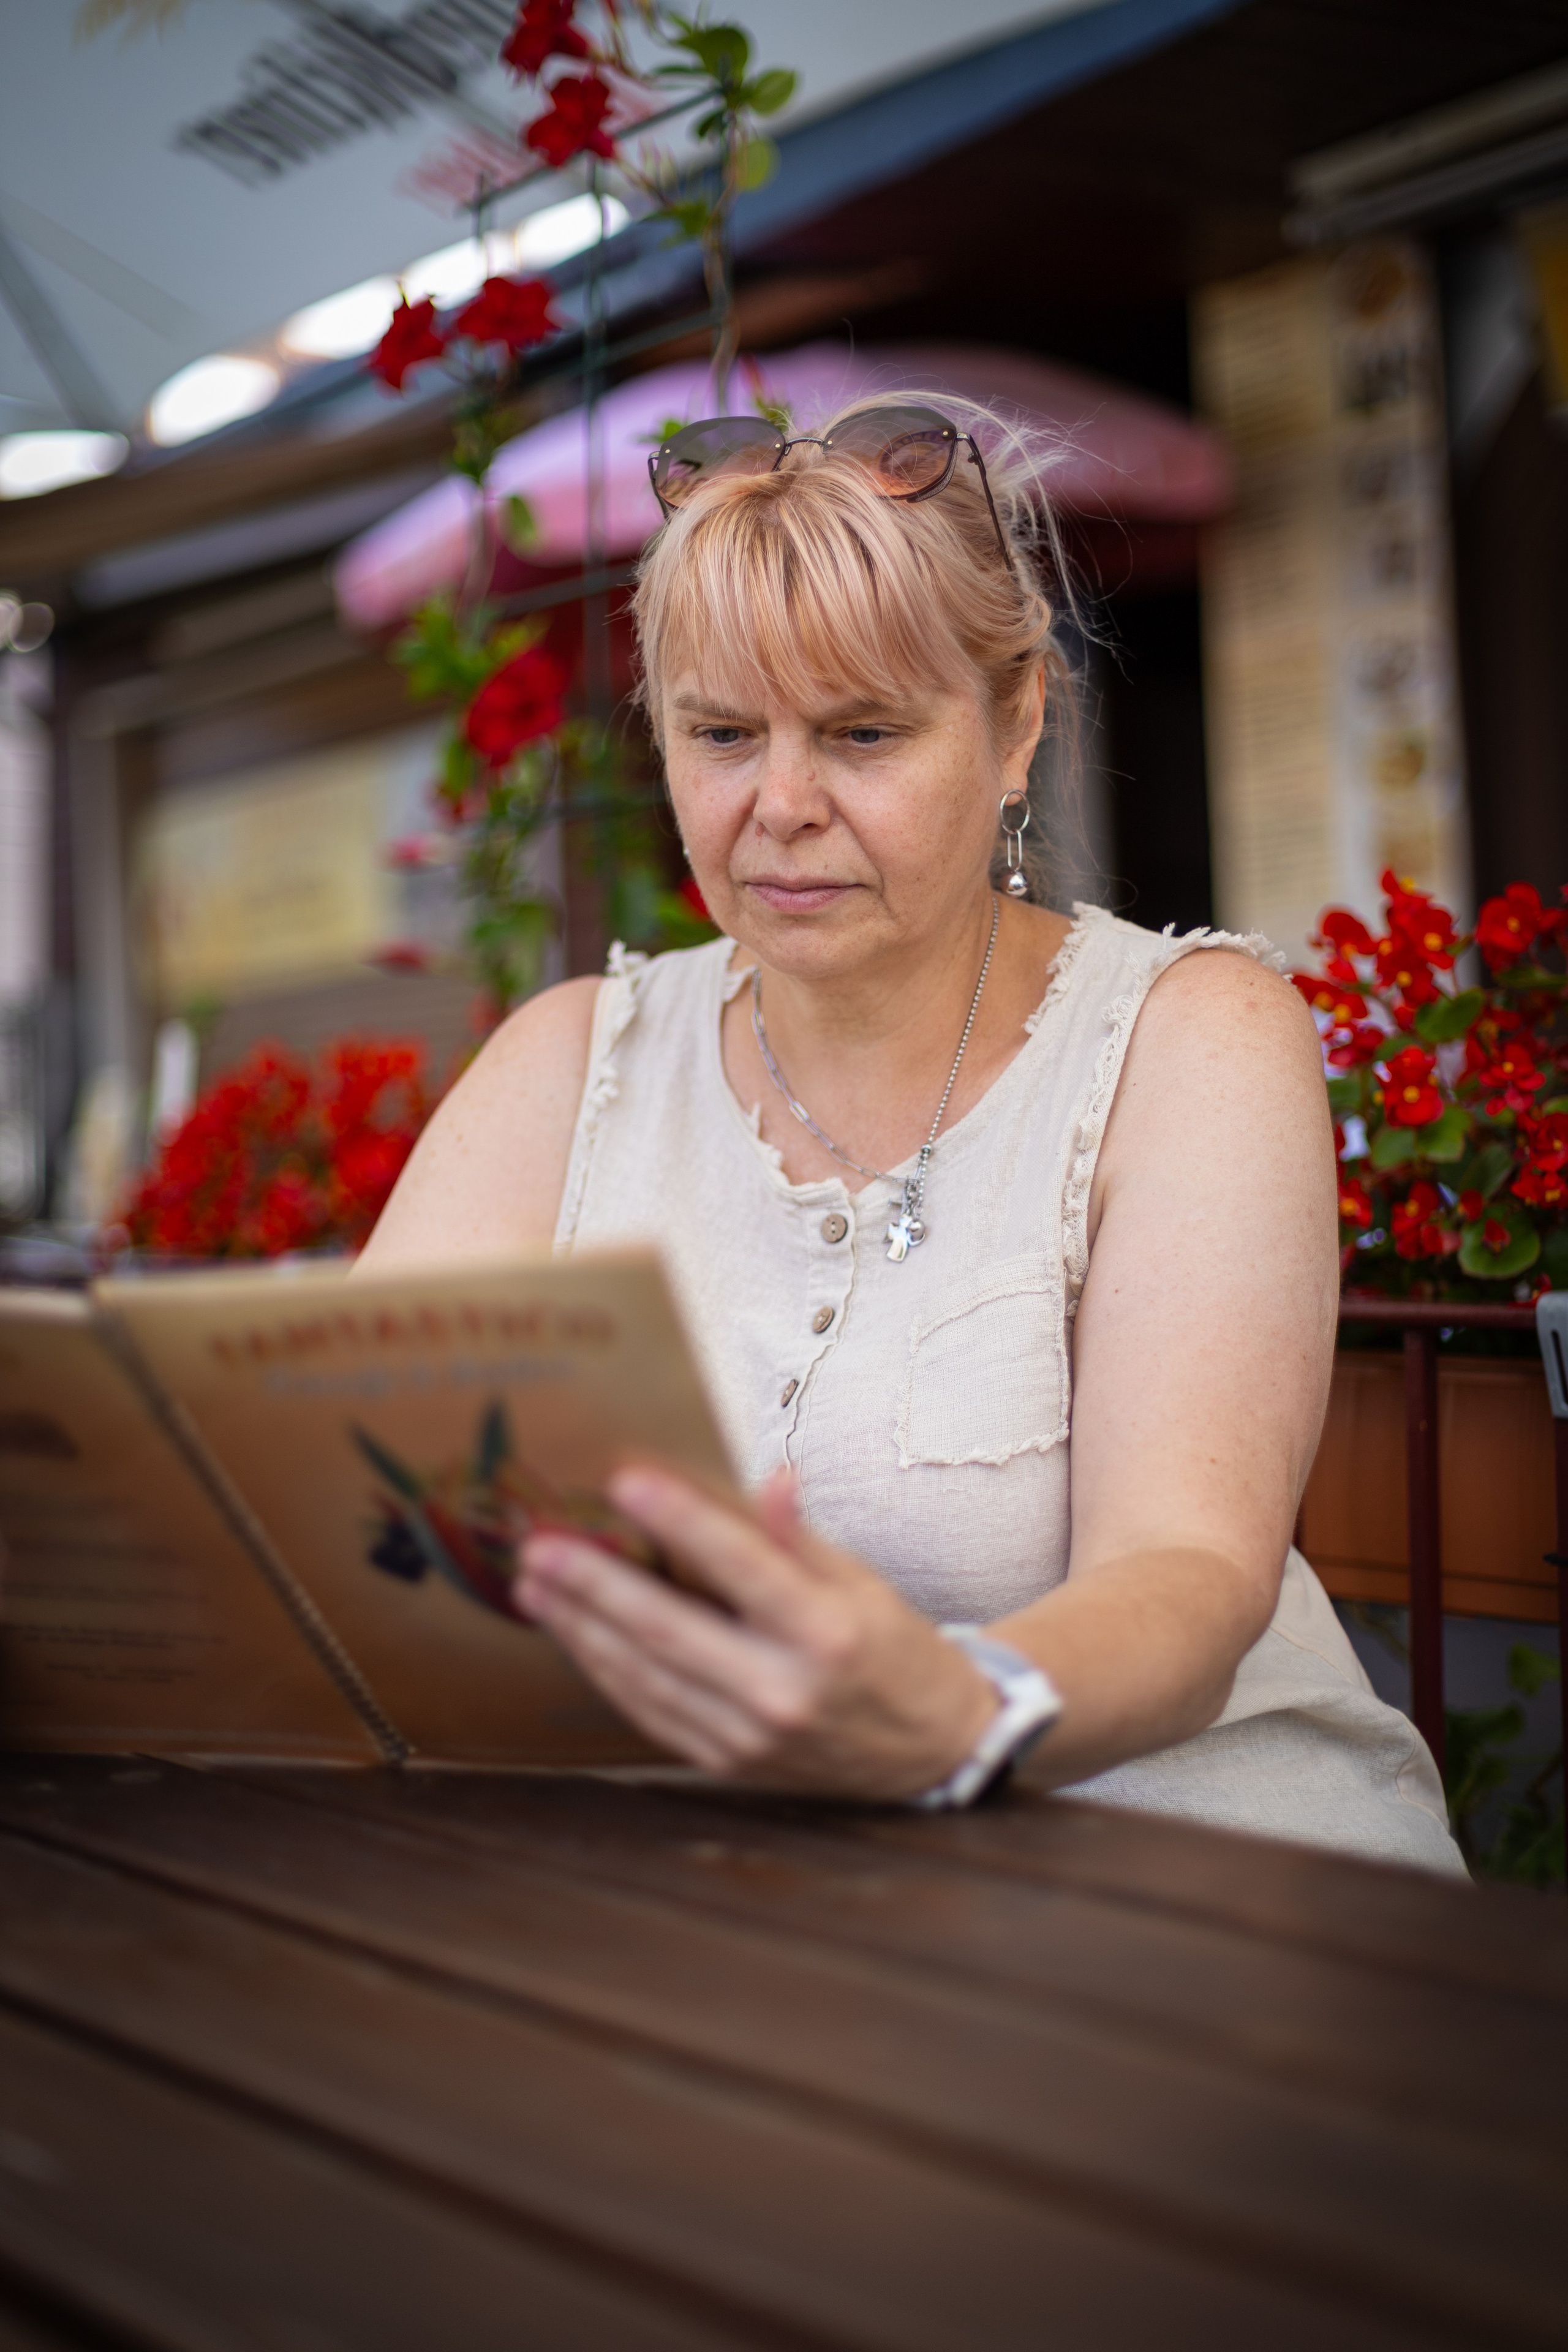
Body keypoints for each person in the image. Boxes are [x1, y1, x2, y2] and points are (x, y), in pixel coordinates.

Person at [357, 394, 1463, 1875]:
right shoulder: (567, 1061)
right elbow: (336, 1486)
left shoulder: (1189, 1035)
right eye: (721, 734)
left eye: (862, 732)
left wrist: (946, 1712)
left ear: (1017, 727)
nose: (782, 806)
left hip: (1203, 1887)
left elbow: (1186, 1571)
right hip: (750, 1910)